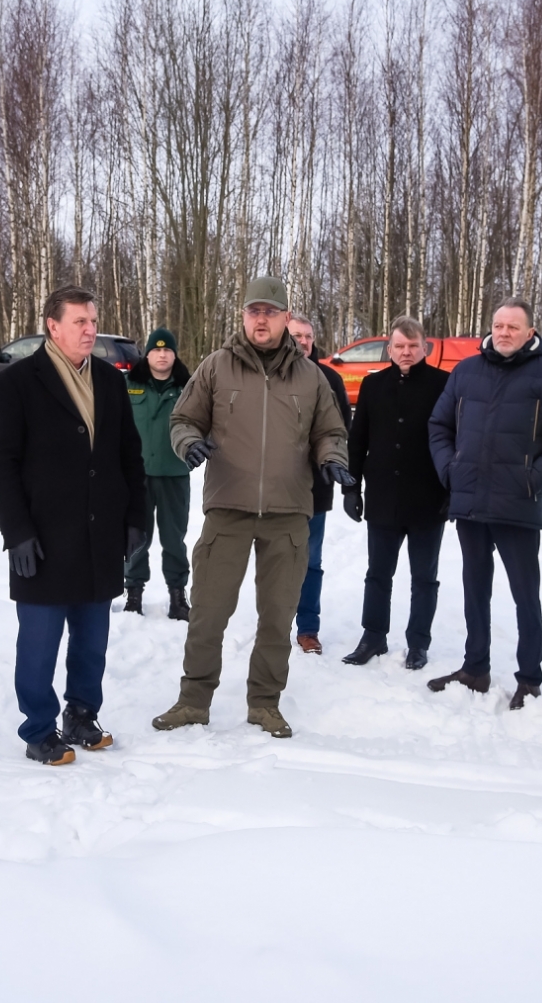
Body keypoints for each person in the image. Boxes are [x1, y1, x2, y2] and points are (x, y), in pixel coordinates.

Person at [151, 277, 351, 739]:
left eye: (270, 312)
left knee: (277, 618)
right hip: (229, 508)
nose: (261, 319)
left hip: (288, 512)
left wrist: (332, 458)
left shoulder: (311, 377)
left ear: (285, 317)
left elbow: (330, 431)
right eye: (253, 311)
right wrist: (188, 443)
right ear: (243, 316)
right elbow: (183, 419)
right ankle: (193, 701)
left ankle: (265, 704)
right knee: (208, 614)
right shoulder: (216, 367)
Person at [0, 286, 147, 766]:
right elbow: (1, 463)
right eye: (80, 321)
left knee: (92, 640)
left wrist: (137, 518)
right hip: (43, 538)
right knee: (39, 643)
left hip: (100, 535)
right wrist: (16, 531)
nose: (90, 330)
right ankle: (38, 729)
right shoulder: (19, 381)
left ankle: (81, 714)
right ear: (52, 327)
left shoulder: (110, 380)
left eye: (93, 321)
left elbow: (130, 456)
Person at [425, 299, 542, 708]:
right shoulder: (466, 372)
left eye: (513, 326)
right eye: (498, 325)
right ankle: (474, 668)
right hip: (470, 501)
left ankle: (530, 678)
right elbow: (439, 425)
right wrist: (450, 470)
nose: (504, 332)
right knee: (474, 590)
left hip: (518, 505)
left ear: (531, 333)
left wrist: (531, 478)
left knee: (525, 595)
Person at [339, 316, 449, 671]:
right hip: (383, 496)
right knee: (378, 573)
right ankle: (373, 636)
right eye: (399, 346)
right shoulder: (373, 385)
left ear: (424, 348)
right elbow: (358, 440)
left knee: (424, 578)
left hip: (428, 499)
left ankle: (418, 643)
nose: (406, 352)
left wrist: (452, 489)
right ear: (389, 348)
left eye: (413, 346)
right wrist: (351, 488)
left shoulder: (443, 385)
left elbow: (455, 441)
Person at [286, 311, 352, 654]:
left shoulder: (329, 379)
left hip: (315, 486)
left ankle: (308, 628)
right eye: (297, 336)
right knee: (276, 559)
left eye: (308, 336)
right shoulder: (268, 376)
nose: (304, 342)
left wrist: (331, 460)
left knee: (310, 560)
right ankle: (274, 623)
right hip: (274, 487)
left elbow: (341, 429)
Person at [122, 327, 193, 622]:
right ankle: (133, 592)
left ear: (174, 355)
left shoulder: (189, 387)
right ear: (147, 354)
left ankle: (177, 594)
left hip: (174, 473)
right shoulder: (129, 384)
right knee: (136, 535)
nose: (161, 355)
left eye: (167, 350)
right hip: (136, 476)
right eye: (156, 350)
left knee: (174, 538)